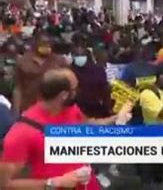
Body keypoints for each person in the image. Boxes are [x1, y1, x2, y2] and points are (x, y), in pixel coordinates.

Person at [1, 68, 132, 189]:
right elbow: (5, 184)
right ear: (64, 95)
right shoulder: (22, 132)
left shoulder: (71, 110)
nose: (79, 92)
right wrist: (54, 182)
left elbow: (87, 125)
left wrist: (115, 118)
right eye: (75, 89)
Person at [14, 32, 68, 112]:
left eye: (48, 43)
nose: (46, 46)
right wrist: (16, 111)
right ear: (35, 43)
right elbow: (18, 88)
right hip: (28, 108)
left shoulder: (60, 61)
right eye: (43, 43)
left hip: (53, 110)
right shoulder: (23, 61)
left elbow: (68, 88)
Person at [71, 44, 112, 118]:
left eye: (82, 55)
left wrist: (107, 107)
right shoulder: (68, 71)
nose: (80, 57)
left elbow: (105, 89)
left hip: (96, 109)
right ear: (73, 56)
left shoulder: (98, 70)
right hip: (74, 110)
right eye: (77, 55)